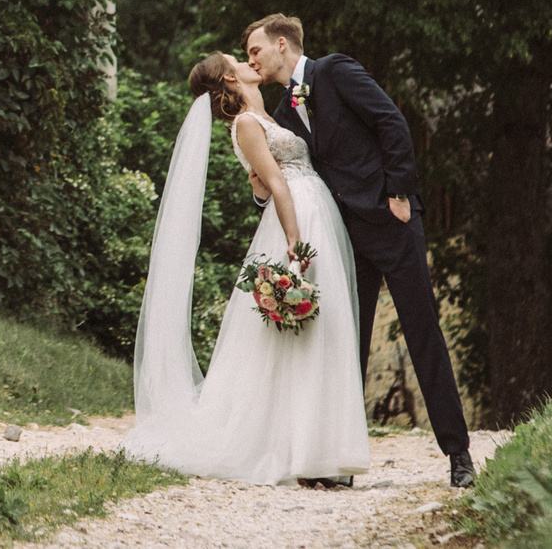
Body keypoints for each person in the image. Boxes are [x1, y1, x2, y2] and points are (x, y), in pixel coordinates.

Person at [244, 13, 475, 488]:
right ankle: (339, 463)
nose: (253, 60)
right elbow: (290, 175)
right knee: (347, 341)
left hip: (392, 222)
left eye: (255, 51)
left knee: (422, 329)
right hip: (345, 234)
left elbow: (391, 121)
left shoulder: (334, 70)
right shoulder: (285, 113)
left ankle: (459, 456)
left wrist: (399, 192)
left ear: (282, 44)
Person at [123, 51, 373, 485]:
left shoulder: (270, 117)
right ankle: (299, 453)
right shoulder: (246, 125)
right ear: (228, 77)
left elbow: (267, 181)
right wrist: (295, 241)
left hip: (315, 209)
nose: (247, 61)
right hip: (295, 219)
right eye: (237, 59)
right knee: (296, 336)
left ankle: (321, 451)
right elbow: (275, 183)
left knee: (320, 331)